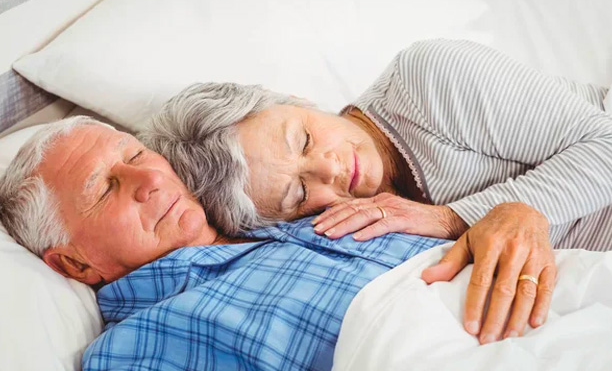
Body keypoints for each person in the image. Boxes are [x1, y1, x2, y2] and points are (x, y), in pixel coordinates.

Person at [140, 39, 612, 345]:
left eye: (303, 138)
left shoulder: (428, 79)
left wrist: (455, 217)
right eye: (299, 192)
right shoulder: (346, 231)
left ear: (297, 101)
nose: (330, 167)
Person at [0, 116, 448, 370]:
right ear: (76, 266)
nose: (150, 179)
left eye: (136, 154)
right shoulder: (137, 350)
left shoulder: (285, 211)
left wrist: (491, 219)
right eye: (104, 188)